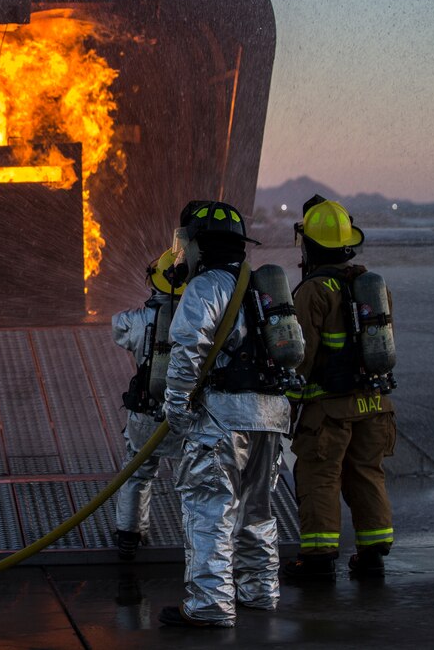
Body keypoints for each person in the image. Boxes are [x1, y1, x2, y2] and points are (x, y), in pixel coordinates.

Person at [157, 201, 291, 628]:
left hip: (220, 417)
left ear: (201, 244)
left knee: (210, 508)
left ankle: (210, 605)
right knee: (257, 508)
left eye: (189, 244)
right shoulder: (264, 288)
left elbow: (187, 350)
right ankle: (259, 591)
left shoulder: (206, 286)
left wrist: (176, 408)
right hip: (270, 417)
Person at [283, 196, 396, 581]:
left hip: (330, 411)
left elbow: (302, 357)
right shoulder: (370, 286)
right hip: (375, 405)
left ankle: (317, 561)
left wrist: (290, 406)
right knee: (366, 473)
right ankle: (372, 556)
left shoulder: (313, 291)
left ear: (309, 244)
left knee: (319, 476)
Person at [112, 249, 186, 560]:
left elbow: (118, 328)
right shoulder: (198, 320)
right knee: (194, 479)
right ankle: (198, 538)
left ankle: (129, 534)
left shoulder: (138, 321)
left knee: (138, 473)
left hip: (146, 414)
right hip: (185, 415)